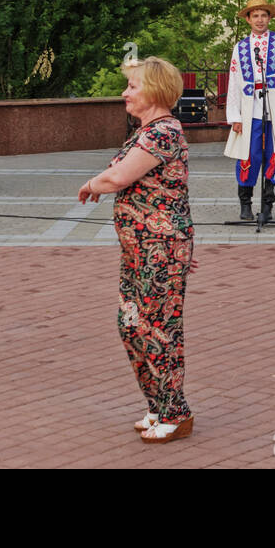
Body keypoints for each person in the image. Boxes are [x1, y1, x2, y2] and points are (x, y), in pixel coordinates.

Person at [78, 56, 195, 444]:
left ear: (155, 91)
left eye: (132, 87)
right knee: (131, 324)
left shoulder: (162, 132)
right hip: (142, 249)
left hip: (158, 248)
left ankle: (176, 414)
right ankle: (157, 404)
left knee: (157, 328)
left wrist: (92, 183)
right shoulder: (147, 131)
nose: (124, 93)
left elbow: (119, 177)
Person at [224, 0, 275, 222]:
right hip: (249, 110)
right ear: (248, 19)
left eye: (263, 15)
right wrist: (234, 116)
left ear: (269, 18)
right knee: (247, 156)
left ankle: (268, 206)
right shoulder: (240, 47)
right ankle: (245, 204)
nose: (259, 20)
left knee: (274, 157)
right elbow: (234, 82)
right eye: (255, 15)